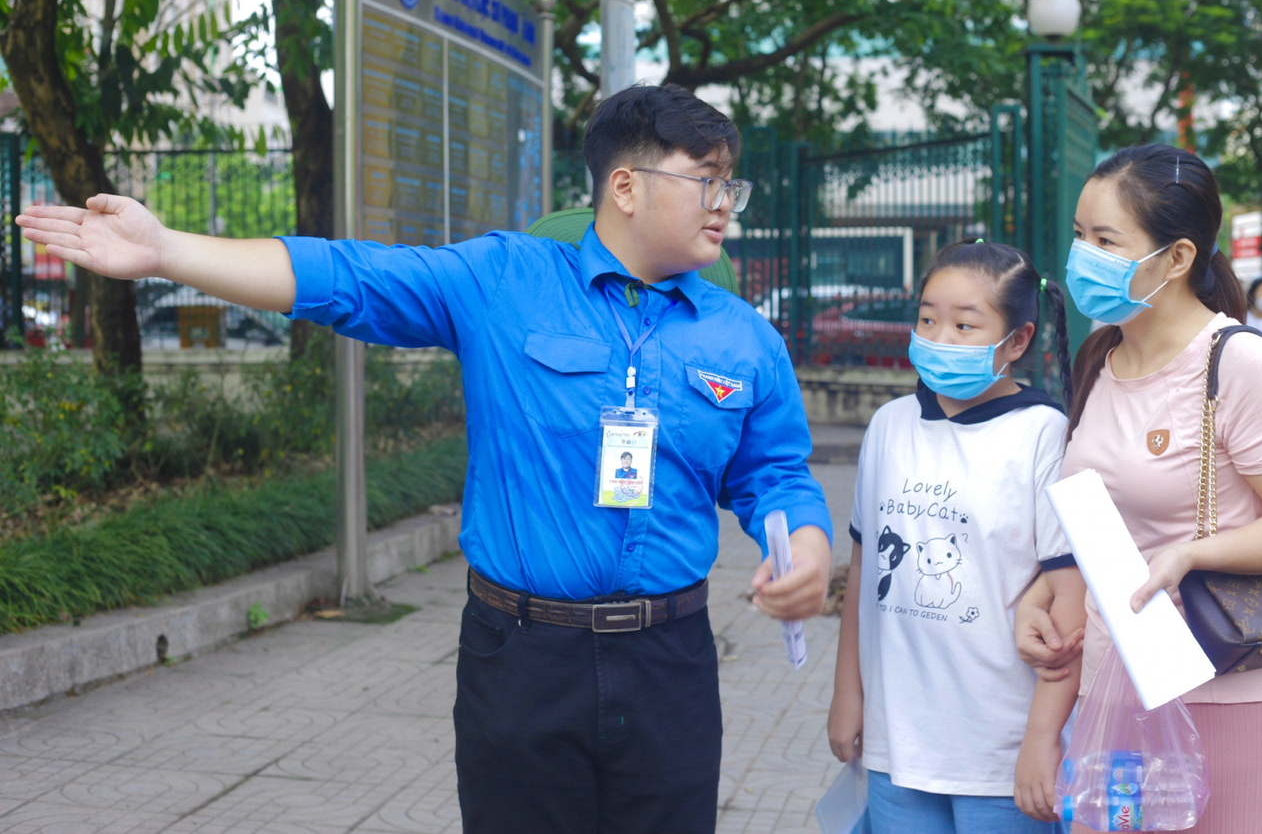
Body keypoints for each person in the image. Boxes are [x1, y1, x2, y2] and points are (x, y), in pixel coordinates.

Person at [15, 83, 835, 834]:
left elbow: (775, 475)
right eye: (708, 181)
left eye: (733, 185)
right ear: (626, 185)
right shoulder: (502, 279)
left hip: (670, 662)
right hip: (520, 657)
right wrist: (168, 252)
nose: (725, 204)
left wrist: (804, 547)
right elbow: (348, 278)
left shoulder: (744, 336)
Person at [1015, 144, 1262, 833]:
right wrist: (1039, 595)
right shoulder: (1101, 353)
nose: (1083, 256)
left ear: (1178, 257)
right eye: (1079, 235)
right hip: (1112, 691)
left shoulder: (1242, 364)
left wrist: (1193, 553)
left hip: (1218, 693)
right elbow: (1100, 516)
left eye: (1106, 239)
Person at [827, 240, 1082, 834]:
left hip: (1001, 753)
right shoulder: (889, 426)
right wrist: (848, 696)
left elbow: (1071, 602)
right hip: (897, 745)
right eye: (927, 318)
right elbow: (864, 573)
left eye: (965, 325)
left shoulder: (1046, 435)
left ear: (1017, 341)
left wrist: (1042, 740)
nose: (939, 337)